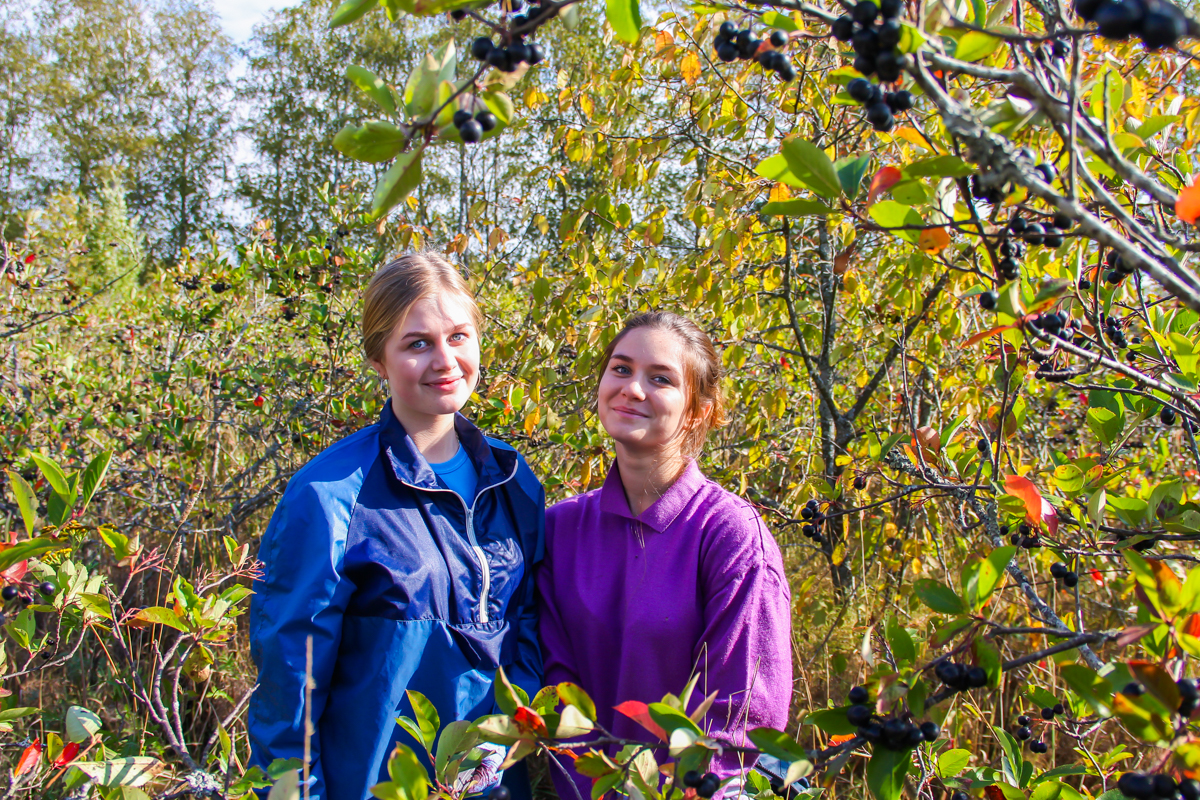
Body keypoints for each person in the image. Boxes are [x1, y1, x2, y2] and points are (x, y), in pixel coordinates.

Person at [248, 252, 544, 800]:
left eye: (458, 336)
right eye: (417, 343)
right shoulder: (331, 495)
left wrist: (510, 733)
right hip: (376, 785)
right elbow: (291, 681)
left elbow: (528, 626)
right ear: (379, 361)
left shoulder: (513, 480)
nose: (444, 360)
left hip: (494, 787)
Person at [537, 312, 793, 800]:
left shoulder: (731, 536)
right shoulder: (560, 528)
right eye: (620, 369)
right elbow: (556, 689)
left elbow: (741, 717)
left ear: (698, 410)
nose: (632, 389)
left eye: (660, 379)